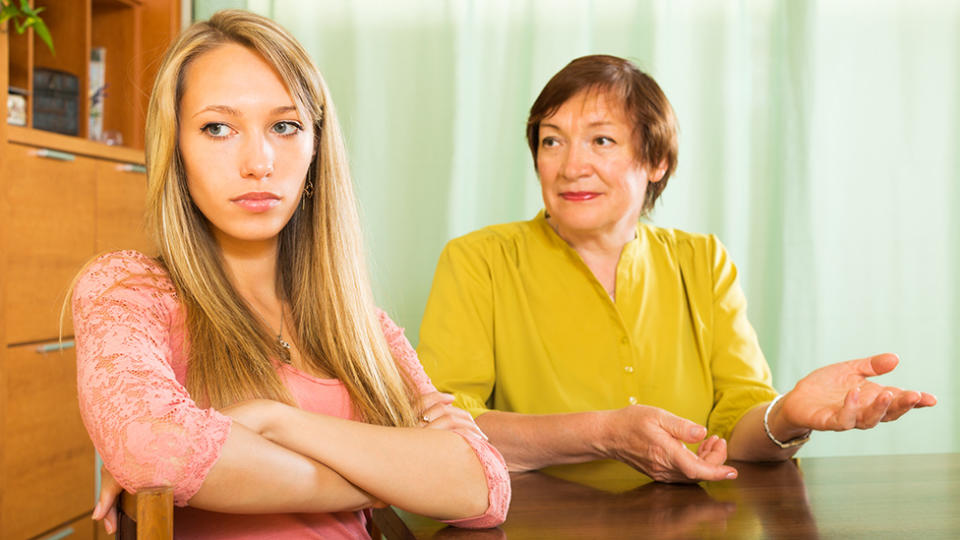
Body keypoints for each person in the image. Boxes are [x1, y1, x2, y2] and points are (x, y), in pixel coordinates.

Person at [72, 10, 508, 538]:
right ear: (175, 149)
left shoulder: (363, 328)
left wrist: (275, 421)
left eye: (285, 126)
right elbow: (154, 450)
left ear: (315, 150)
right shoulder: (128, 290)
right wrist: (391, 477)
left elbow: (483, 487)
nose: (259, 161)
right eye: (218, 128)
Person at [417, 54, 936, 484]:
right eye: (552, 140)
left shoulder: (702, 260)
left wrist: (787, 417)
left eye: (601, 140)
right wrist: (603, 432)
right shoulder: (478, 259)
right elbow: (445, 421)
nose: (570, 165)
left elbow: (739, 424)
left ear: (656, 160)